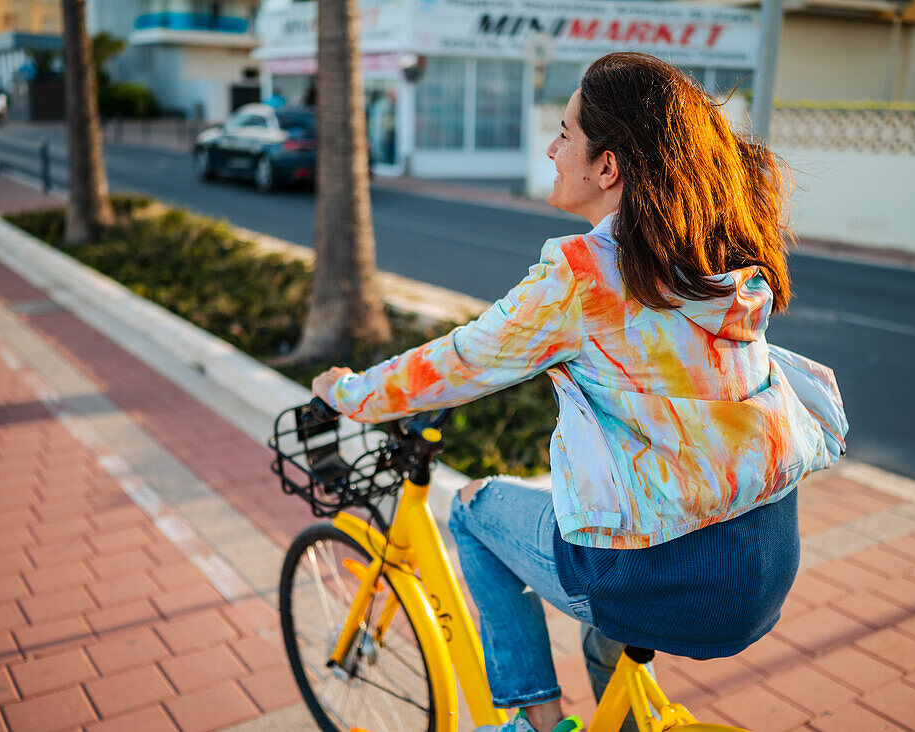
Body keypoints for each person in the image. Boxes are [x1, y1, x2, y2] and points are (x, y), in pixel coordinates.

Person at [311, 52, 845, 732]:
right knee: (606, 644)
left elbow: (457, 363)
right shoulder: (717, 250)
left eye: (565, 132)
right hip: (764, 564)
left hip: (664, 573)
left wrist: (348, 392)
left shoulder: (584, 277)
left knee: (474, 511)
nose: (551, 147)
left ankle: (533, 721)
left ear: (608, 166)